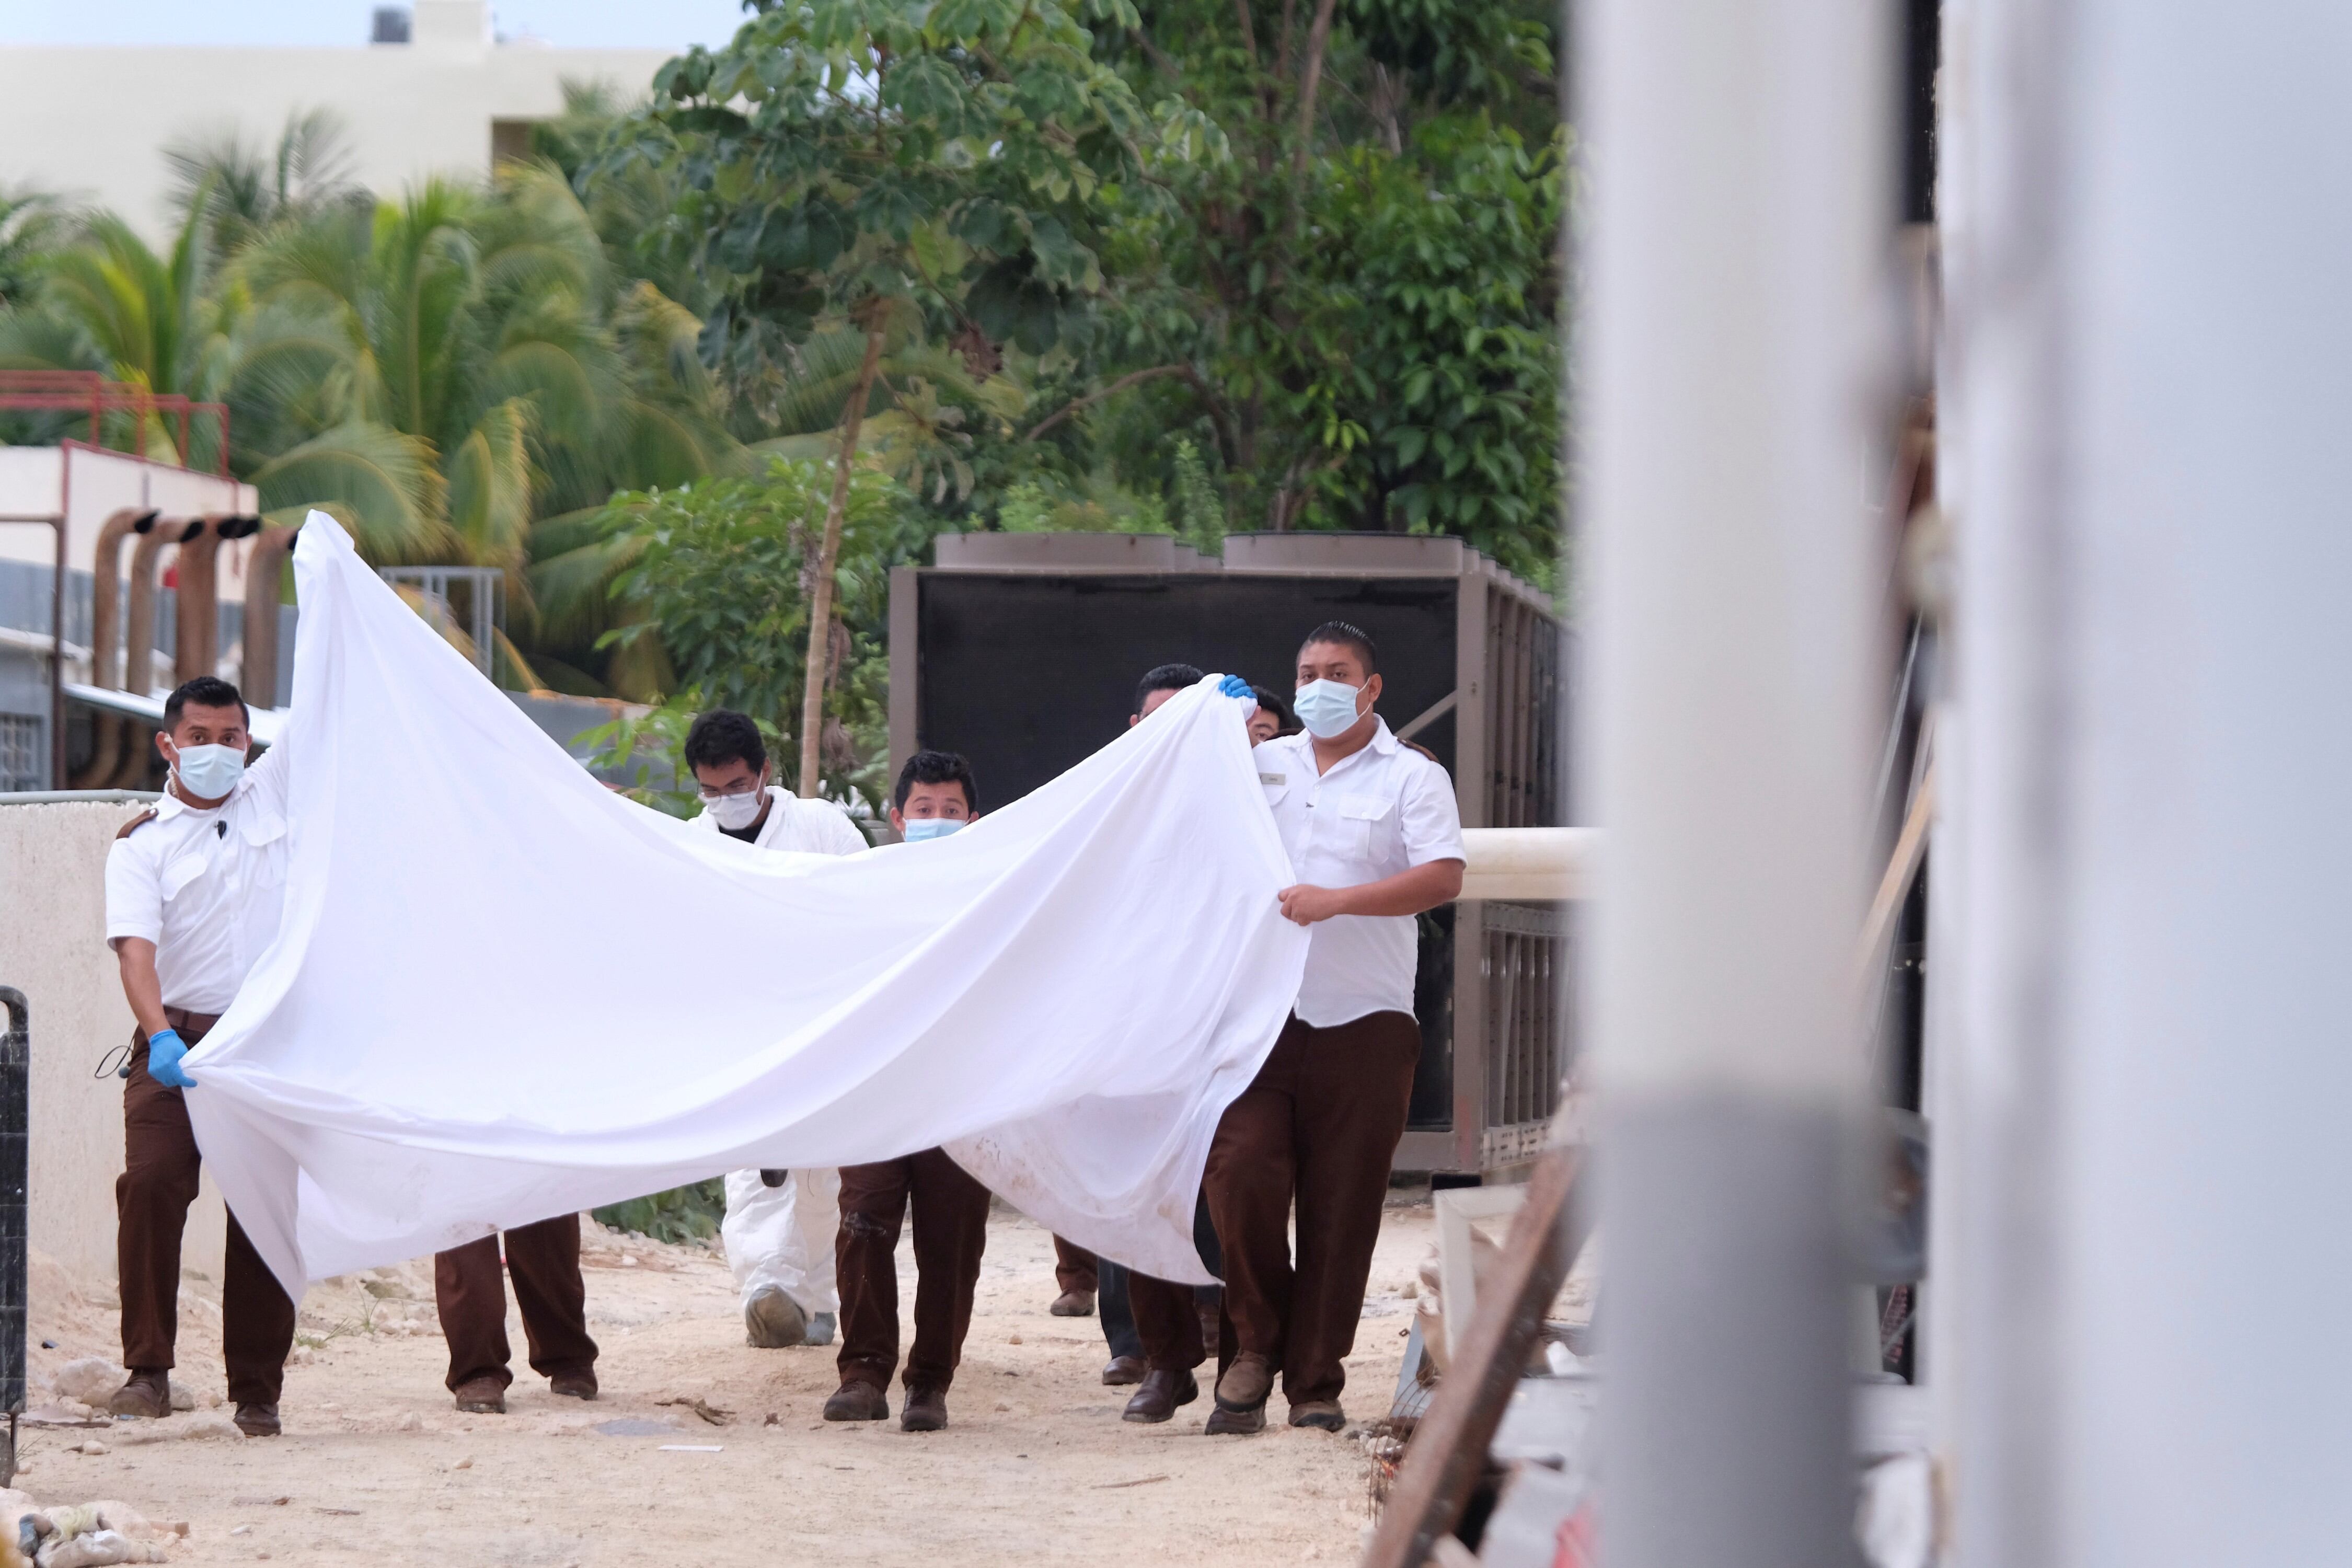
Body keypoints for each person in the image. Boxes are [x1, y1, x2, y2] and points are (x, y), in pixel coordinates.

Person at [1201, 620, 1465, 1434]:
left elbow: (1443, 876)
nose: (1320, 684)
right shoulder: (1255, 767)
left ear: (1372, 687)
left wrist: (1336, 900)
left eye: (1338, 671)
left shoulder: (1413, 778)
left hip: (1365, 1020)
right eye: (1307, 671)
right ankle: (1254, 1346)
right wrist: (1211, 730)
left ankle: (1314, 1381)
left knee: (1342, 1207)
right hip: (1259, 1017)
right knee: (1239, 1178)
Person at [102, 675, 298, 1437]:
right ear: (168, 744)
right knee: (150, 1187)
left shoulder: (274, 803)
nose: (216, 752)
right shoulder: (142, 844)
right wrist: (159, 1037)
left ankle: (257, 1392)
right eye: (199, 739)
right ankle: (147, 1372)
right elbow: (135, 954)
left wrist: (324, 564)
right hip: (174, 1041)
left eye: (231, 739)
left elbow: (323, 701)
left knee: (263, 1212)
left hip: (265, 1045)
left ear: (249, 743)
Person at [682, 708, 870, 1351]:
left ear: (764, 773)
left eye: (736, 787)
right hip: (741, 1033)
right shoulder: (691, 844)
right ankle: (768, 1288)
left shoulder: (822, 830)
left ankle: (815, 1299)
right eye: (711, 791)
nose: (724, 802)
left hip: (824, 1022)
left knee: (821, 1171)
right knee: (753, 1164)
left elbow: (869, 914)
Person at [824, 750, 994, 1432]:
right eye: (924, 810)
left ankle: (930, 1381)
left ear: (974, 820)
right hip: (879, 1091)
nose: (936, 821)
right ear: (897, 819)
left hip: (961, 1093)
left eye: (950, 811)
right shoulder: (864, 892)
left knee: (952, 1242)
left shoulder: (996, 894)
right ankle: (863, 1372)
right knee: (863, 1223)